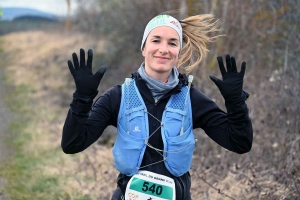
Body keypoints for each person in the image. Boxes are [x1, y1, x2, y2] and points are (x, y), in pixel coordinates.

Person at [61, 13, 253, 200]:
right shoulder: (118, 97)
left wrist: (235, 102)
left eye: (172, 43)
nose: (163, 49)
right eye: (156, 40)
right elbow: (72, 144)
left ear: (179, 52)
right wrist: (82, 98)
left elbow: (240, 143)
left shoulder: (191, 99)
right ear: (143, 48)